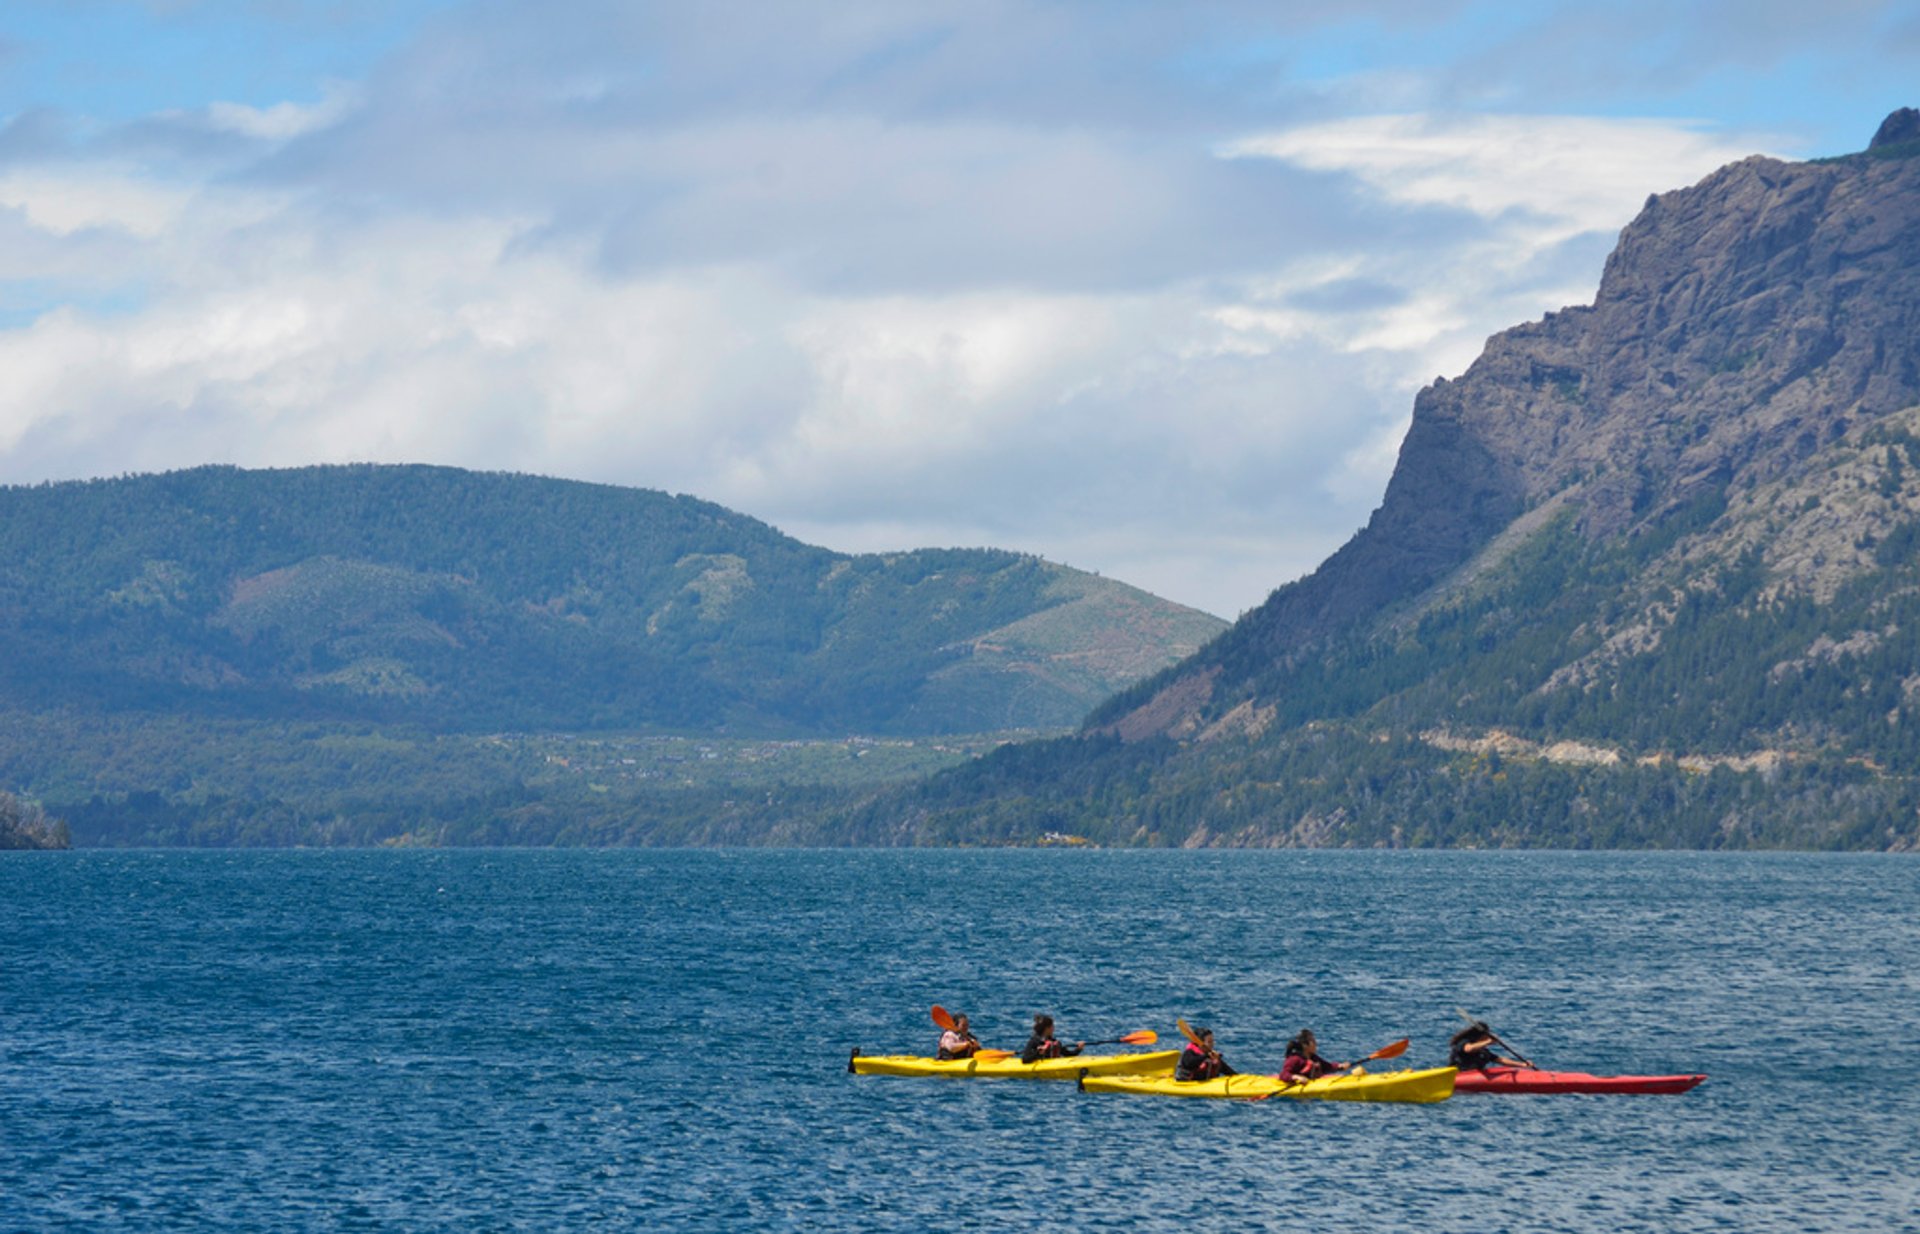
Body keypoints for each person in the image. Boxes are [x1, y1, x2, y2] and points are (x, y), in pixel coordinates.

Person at [1449, 1021, 1531, 1071]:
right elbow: (1468, 1049)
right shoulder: (1463, 1042)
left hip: (1475, 1076)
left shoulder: (1483, 1051)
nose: (1488, 1037)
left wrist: (1523, 1065)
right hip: (1459, 1074)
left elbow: (1500, 1060)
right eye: (1487, 1035)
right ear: (1480, 1036)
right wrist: (1488, 1042)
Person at [1278, 1029, 1345, 1083]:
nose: (1316, 1044)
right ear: (1305, 1045)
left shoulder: (1313, 1057)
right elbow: (1283, 1074)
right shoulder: (1295, 1059)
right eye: (1313, 1041)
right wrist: (1296, 1077)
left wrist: (1340, 1066)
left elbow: (1327, 1067)